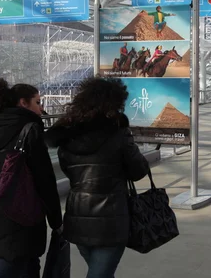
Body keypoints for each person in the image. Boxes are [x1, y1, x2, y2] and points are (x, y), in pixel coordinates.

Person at [47, 77, 150, 278]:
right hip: (111, 220)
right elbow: (138, 171)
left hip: (77, 215)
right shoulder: (118, 133)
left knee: (100, 272)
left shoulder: (66, 136)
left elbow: (69, 170)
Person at [0, 78, 63, 278]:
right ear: (23, 103)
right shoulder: (30, 130)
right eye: (38, 102)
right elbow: (45, 180)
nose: (41, 109)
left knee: (27, 262)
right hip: (26, 210)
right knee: (12, 263)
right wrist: (56, 221)